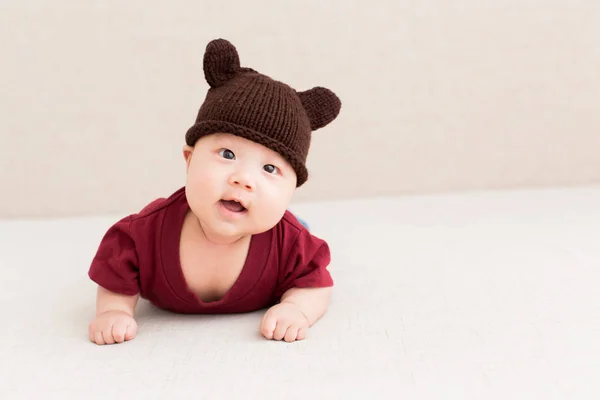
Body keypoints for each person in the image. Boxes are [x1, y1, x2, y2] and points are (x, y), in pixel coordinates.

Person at [87, 38, 342, 345]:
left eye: (270, 169)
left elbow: (316, 284)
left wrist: (296, 309)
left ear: (292, 190)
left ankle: (298, 218)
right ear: (190, 159)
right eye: (227, 154)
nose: (243, 179)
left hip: (284, 232)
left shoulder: (291, 245)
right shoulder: (144, 234)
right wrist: (113, 311)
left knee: (298, 231)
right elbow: (116, 274)